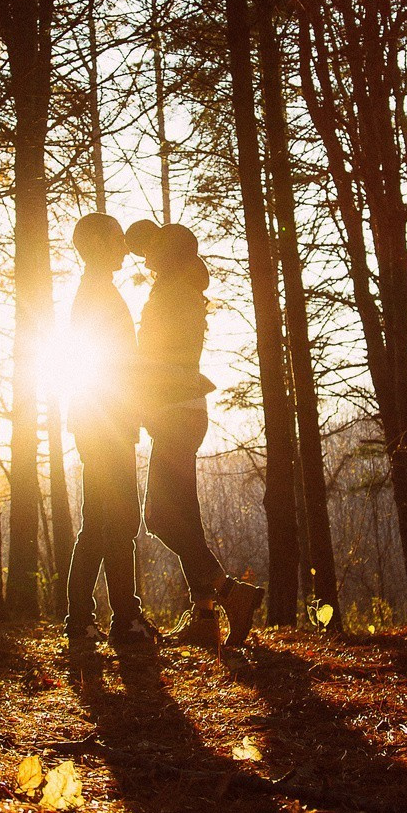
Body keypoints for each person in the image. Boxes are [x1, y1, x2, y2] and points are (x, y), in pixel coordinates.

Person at [127, 219, 263, 648]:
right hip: (184, 412)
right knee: (183, 516)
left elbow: (153, 360)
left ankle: (229, 594)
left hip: (174, 414)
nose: (144, 259)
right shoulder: (184, 290)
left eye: (149, 252)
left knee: (160, 518)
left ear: (164, 255)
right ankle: (204, 618)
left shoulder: (169, 296)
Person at [63, 213, 160, 653]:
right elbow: (113, 365)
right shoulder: (98, 296)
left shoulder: (96, 293)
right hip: (105, 426)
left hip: (102, 424)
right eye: (118, 241)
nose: (125, 249)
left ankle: (98, 619)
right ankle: (118, 619)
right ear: (101, 247)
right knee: (114, 524)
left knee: (104, 524)